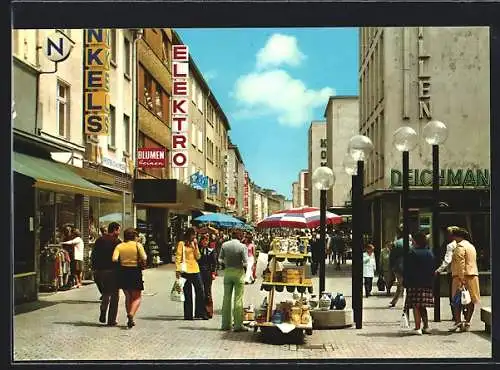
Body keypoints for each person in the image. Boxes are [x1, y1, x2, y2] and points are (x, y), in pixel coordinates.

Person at [112, 228, 147, 329]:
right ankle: (131, 314)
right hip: (135, 272)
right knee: (137, 297)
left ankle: (130, 318)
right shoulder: (137, 245)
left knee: (128, 296)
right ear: (135, 236)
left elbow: (114, 258)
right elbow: (144, 257)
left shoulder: (119, 246)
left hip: (123, 272)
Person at [449, 228, 480, 332]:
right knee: (471, 300)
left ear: (457, 237)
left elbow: (460, 263)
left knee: (457, 300)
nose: (452, 238)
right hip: (473, 275)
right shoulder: (471, 246)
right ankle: (467, 321)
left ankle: (458, 321)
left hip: (461, 276)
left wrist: (461, 278)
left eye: (453, 236)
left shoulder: (460, 247)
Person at [403, 232, 435, 335]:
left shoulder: (412, 253)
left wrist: (405, 281)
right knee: (422, 306)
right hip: (427, 283)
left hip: (414, 283)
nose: (411, 242)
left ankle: (417, 327)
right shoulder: (429, 253)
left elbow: (408, 269)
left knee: (416, 305)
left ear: (416, 241)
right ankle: (426, 326)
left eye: (412, 240)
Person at [91, 222, 121, 326]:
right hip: (112, 271)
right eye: (119, 230)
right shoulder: (117, 242)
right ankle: (111, 320)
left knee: (105, 293)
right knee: (114, 296)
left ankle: (103, 311)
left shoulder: (100, 240)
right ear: (116, 230)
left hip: (99, 271)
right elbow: (119, 258)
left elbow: (93, 254)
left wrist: (94, 268)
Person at [175, 228, 208, 321]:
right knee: (187, 292)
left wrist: (196, 246)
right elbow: (178, 257)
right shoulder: (181, 244)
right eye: (193, 235)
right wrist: (177, 270)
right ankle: (188, 314)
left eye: (195, 235)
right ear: (189, 235)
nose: (194, 237)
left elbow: (198, 256)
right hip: (185, 270)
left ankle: (200, 312)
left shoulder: (194, 244)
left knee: (200, 291)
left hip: (195, 269)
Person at [219, 229, 248, 332]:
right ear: (240, 236)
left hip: (227, 273)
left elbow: (220, 259)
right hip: (238, 273)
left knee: (226, 298)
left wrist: (225, 265)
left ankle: (225, 324)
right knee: (238, 299)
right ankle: (238, 325)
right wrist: (245, 271)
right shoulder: (242, 247)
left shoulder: (224, 245)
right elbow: (245, 263)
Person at [435, 226, 460, 319]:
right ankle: (462, 314)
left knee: (453, 294)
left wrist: (439, 270)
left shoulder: (450, 246)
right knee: (462, 293)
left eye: (448, 234)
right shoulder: (463, 244)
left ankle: (455, 315)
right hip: (463, 272)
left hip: (452, 273)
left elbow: (447, 260)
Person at [198, 233, 217, 319]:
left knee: (207, 292)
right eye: (204, 240)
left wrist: (213, 273)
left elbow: (214, 263)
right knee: (200, 292)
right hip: (199, 272)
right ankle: (200, 311)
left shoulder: (210, 251)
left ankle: (209, 311)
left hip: (208, 273)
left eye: (207, 240)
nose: (205, 242)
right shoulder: (198, 250)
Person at [389, 229, 406, 308]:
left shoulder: (396, 243)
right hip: (409, 266)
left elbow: (391, 257)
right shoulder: (411, 242)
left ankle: (394, 301)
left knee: (400, 285)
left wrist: (392, 268)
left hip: (398, 266)